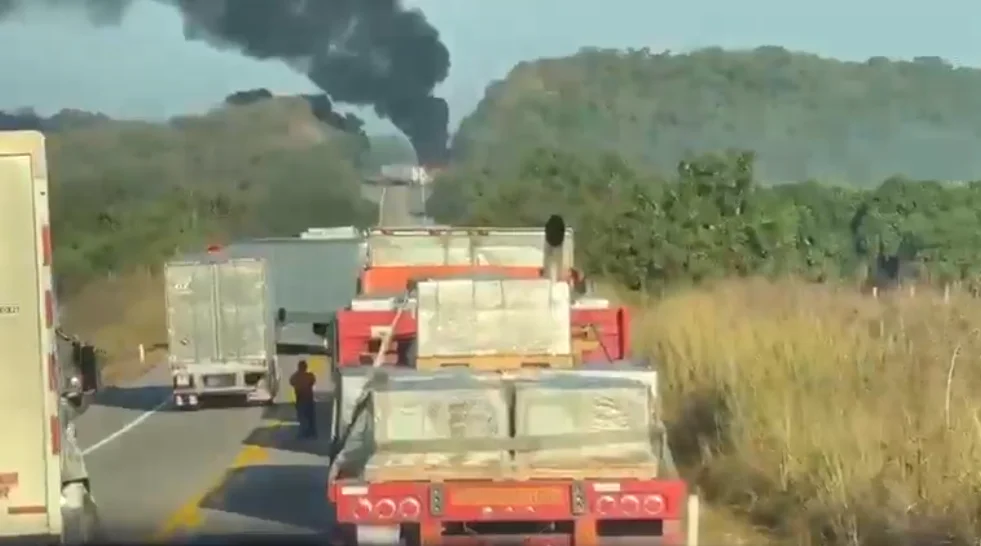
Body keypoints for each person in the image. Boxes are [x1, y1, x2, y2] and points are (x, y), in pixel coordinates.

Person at [289, 360, 317, 438]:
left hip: (300, 399)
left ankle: (302, 433)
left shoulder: (295, 376)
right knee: (311, 417)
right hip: (309, 399)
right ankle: (312, 433)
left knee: (302, 417)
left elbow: (291, 382)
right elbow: (313, 382)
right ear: (306, 367)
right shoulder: (310, 375)